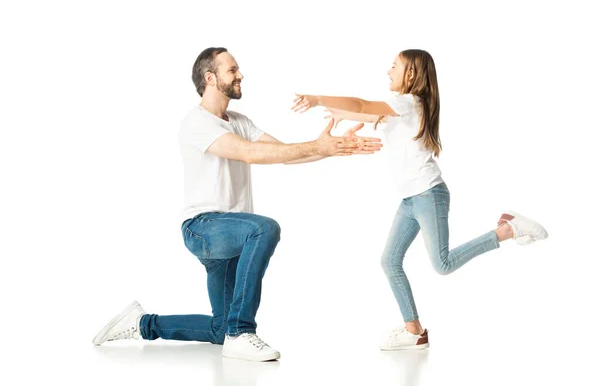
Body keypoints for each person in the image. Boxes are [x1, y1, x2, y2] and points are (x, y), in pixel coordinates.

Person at [91, 47, 383, 362]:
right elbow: (249, 153)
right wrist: (317, 146)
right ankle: (242, 332)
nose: (240, 75)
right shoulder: (196, 122)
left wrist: (330, 148)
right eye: (232, 70)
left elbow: (282, 153)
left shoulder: (239, 121)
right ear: (210, 78)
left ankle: (141, 324)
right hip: (204, 228)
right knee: (264, 229)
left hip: (233, 235)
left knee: (219, 329)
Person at [291, 49, 548, 350]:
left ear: (410, 74)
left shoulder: (409, 102)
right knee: (389, 260)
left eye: (393, 66)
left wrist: (319, 99)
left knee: (443, 264)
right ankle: (414, 331)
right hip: (411, 200)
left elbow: (363, 104)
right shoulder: (404, 107)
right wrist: (342, 114)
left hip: (428, 195)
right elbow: (366, 112)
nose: (388, 72)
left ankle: (508, 229)